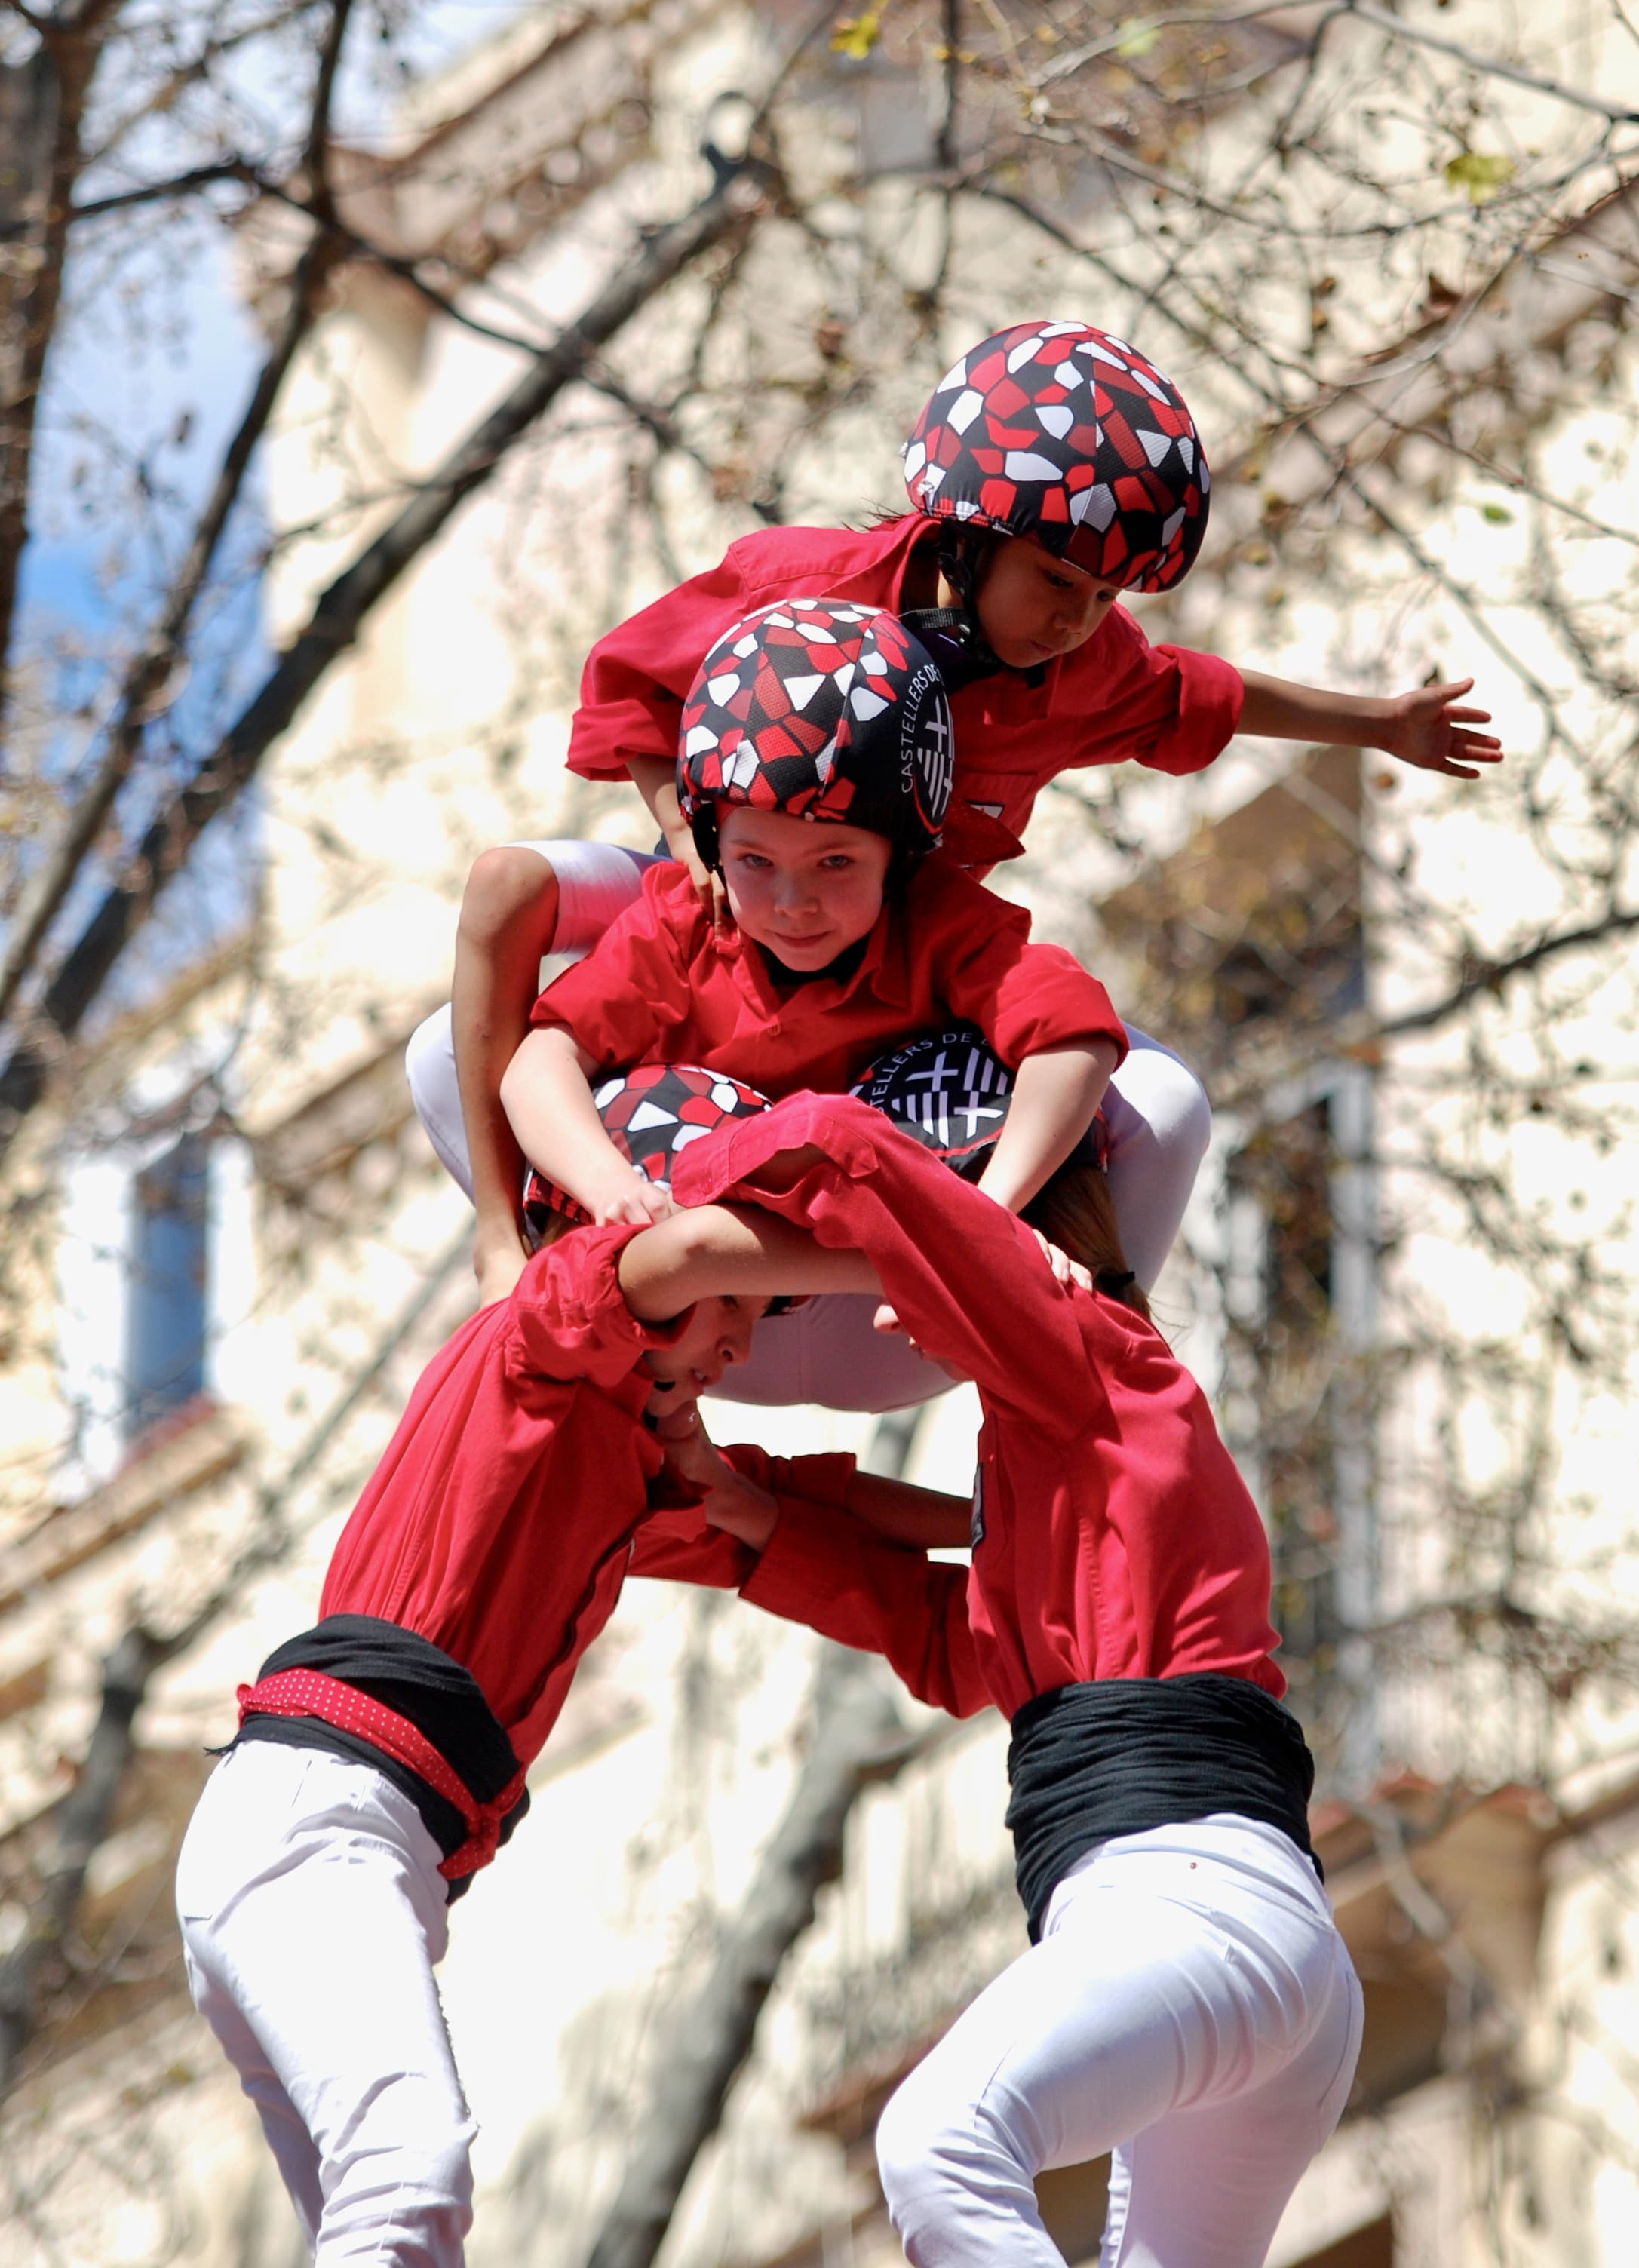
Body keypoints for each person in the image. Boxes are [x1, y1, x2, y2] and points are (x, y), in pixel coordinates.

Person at [409, 322, 1500, 1341]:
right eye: (1059, 580)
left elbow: (1198, 693)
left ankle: (1096, 1340)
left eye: (1109, 594)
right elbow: (634, 691)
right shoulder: (805, 586)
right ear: (970, 538)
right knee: (505, 894)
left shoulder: (1086, 664)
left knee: (1164, 1109)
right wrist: (692, 845)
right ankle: (505, 1238)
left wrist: (1381, 725)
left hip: (910, 941)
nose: (1078, 618)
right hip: (739, 888)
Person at [174, 1133, 972, 2268]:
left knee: (391, 2227)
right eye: (741, 1303)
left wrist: (1002, 1517)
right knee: (408, 2176)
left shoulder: (615, 1469)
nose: (746, 1339)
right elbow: (682, 1246)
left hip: (343, 1838)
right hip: (325, 1817)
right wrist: (946, 1256)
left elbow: (805, 1511)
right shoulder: (539, 1337)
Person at [629, 1084, 1365, 2268]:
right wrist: (751, 1513)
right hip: (1249, 1944)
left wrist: (655, 1204)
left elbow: (851, 1148)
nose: (871, 1312)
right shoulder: (1068, 1438)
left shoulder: (1084, 1357)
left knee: (939, 2145)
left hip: (1191, 1910)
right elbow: (958, 1643)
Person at [499, 598, 1128, 1407]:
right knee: (636, 1103)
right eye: (754, 859)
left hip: (891, 1305)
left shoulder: (935, 917)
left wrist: (984, 1218)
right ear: (712, 844)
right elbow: (538, 1064)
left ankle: (1089, 1321)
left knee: (1003, 1080)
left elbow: (1075, 1037)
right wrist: (608, 1182)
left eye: (835, 860)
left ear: (901, 855)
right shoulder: (687, 922)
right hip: (702, 1292)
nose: (794, 902)